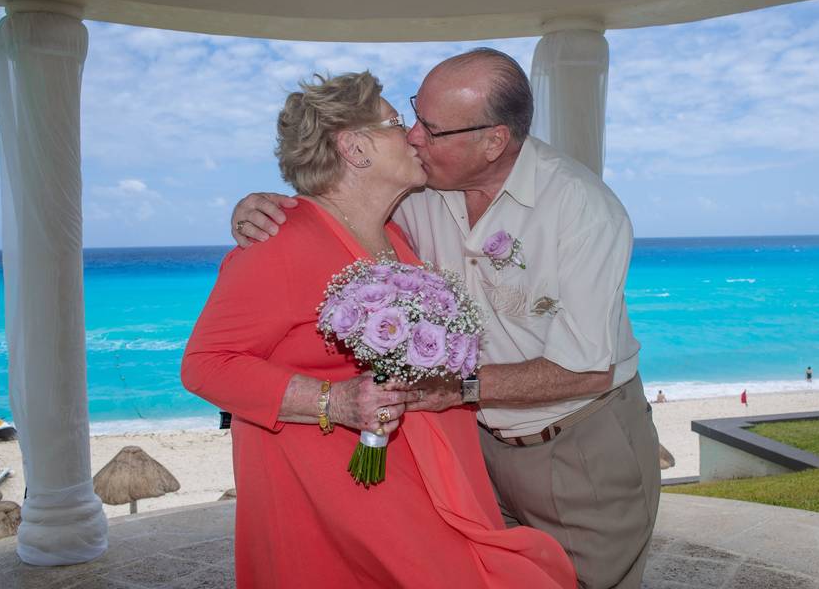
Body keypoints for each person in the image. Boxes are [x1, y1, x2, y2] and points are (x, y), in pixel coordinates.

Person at [232, 48, 660, 589]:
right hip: (477, 447)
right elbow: (341, 201)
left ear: (493, 141)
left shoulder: (582, 209)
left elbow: (587, 369)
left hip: (576, 444)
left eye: (430, 129)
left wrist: (456, 387)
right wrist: (263, 207)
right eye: (411, 116)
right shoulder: (418, 191)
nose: (413, 137)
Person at [181, 72, 574, 588]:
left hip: (421, 473)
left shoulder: (395, 232)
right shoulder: (278, 243)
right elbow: (206, 365)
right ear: (355, 148)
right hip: (344, 496)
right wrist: (333, 401)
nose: (414, 134)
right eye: (396, 123)